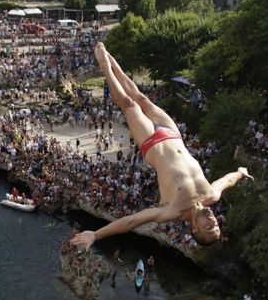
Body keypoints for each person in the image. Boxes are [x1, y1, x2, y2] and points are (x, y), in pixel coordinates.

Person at [70, 44, 254, 251]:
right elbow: (227, 180)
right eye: (216, 226)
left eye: (209, 229)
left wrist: (96, 234)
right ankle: (112, 62)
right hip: (173, 134)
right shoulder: (212, 195)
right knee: (142, 99)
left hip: (152, 145)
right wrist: (240, 172)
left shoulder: (171, 211)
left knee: (130, 104)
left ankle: (104, 65)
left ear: (194, 228)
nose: (214, 223)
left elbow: (131, 221)